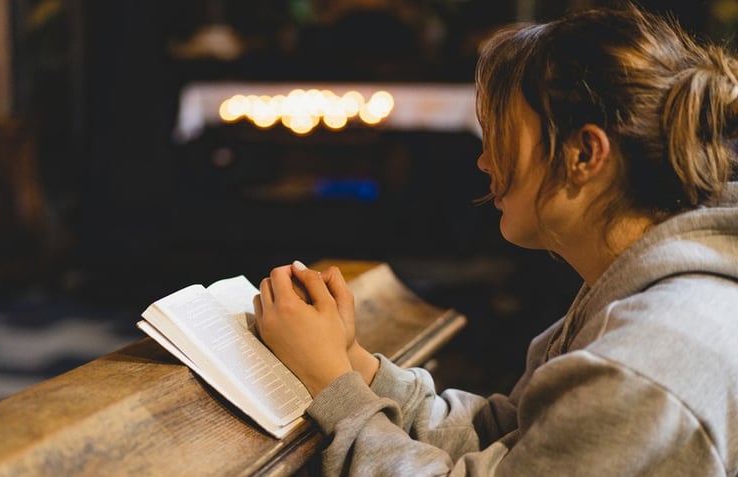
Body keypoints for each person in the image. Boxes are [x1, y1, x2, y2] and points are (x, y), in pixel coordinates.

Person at [253, 4, 738, 476]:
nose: (485, 163)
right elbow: (507, 438)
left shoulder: (645, 361)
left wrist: (331, 384)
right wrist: (353, 362)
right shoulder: (636, 293)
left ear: (585, 154)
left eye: (503, 137)